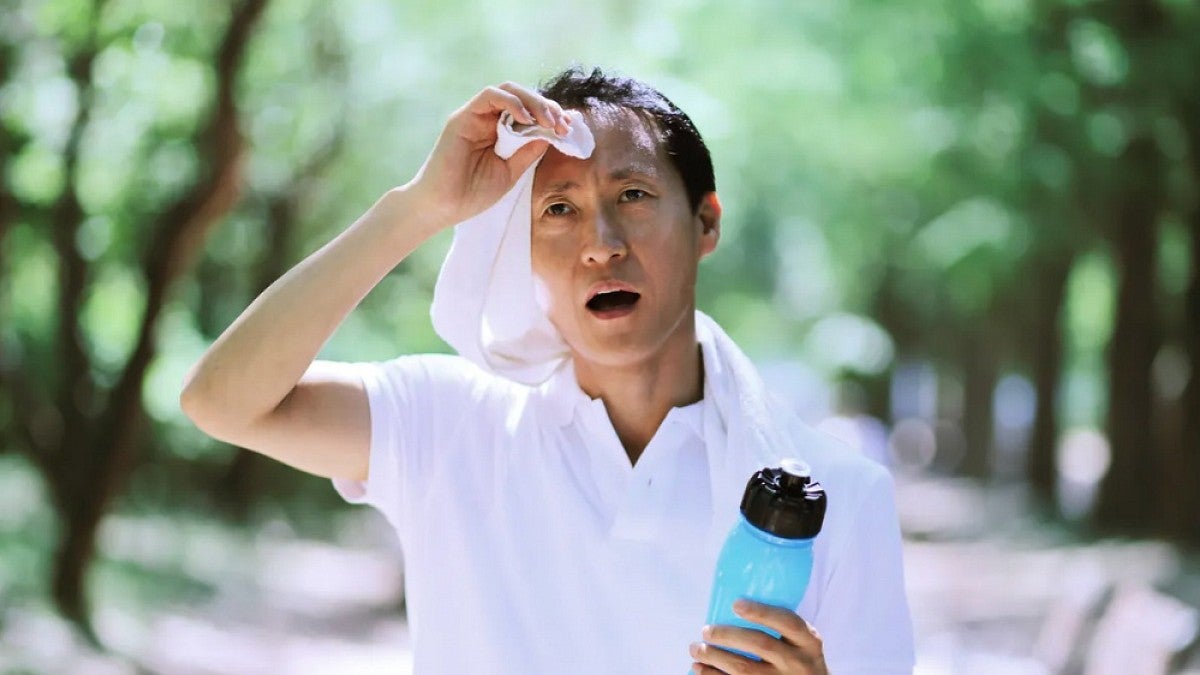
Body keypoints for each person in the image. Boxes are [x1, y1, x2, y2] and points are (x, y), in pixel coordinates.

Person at [181, 66, 915, 674]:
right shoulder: (451, 425)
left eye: (632, 195)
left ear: (707, 222)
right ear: (522, 253)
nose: (600, 243)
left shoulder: (835, 496)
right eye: (558, 209)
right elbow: (222, 401)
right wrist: (420, 207)